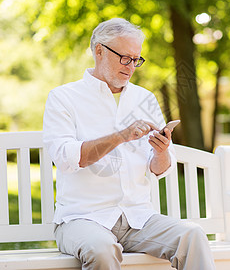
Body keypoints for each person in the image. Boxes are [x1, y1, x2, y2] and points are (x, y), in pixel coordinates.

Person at [43, 18, 215, 270]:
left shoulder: (143, 98)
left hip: (138, 218)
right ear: (99, 50)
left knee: (192, 235)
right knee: (103, 249)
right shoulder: (63, 97)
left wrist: (161, 151)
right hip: (82, 219)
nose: (131, 66)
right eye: (125, 58)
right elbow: (67, 158)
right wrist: (120, 136)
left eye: (136, 59)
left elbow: (160, 169)